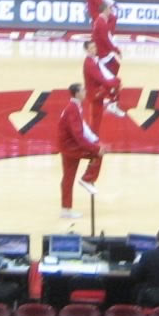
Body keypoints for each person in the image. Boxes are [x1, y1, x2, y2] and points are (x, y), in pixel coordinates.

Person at [57, 82, 102, 220]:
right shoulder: (72, 109)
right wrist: (95, 147)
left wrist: (94, 139)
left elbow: (83, 127)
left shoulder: (75, 107)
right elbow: (79, 135)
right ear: (77, 93)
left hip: (67, 145)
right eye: (83, 90)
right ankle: (87, 179)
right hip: (71, 147)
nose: (85, 91)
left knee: (68, 178)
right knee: (98, 154)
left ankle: (65, 209)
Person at [81, 38, 125, 131]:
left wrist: (115, 81)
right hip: (95, 93)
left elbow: (104, 73)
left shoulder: (94, 59)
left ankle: (93, 137)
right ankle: (112, 104)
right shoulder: (90, 64)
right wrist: (115, 83)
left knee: (96, 117)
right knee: (96, 118)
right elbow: (101, 79)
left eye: (94, 47)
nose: (94, 49)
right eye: (91, 48)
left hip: (96, 91)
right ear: (86, 50)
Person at [92, 3, 122, 81]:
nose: (111, 11)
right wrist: (116, 50)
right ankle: (109, 82)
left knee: (113, 65)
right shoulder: (101, 23)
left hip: (101, 50)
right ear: (105, 10)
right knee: (113, 66)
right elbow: (105, 39)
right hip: (103, 51)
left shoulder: (100, 20)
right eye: (109, 9)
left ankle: (109, 81)